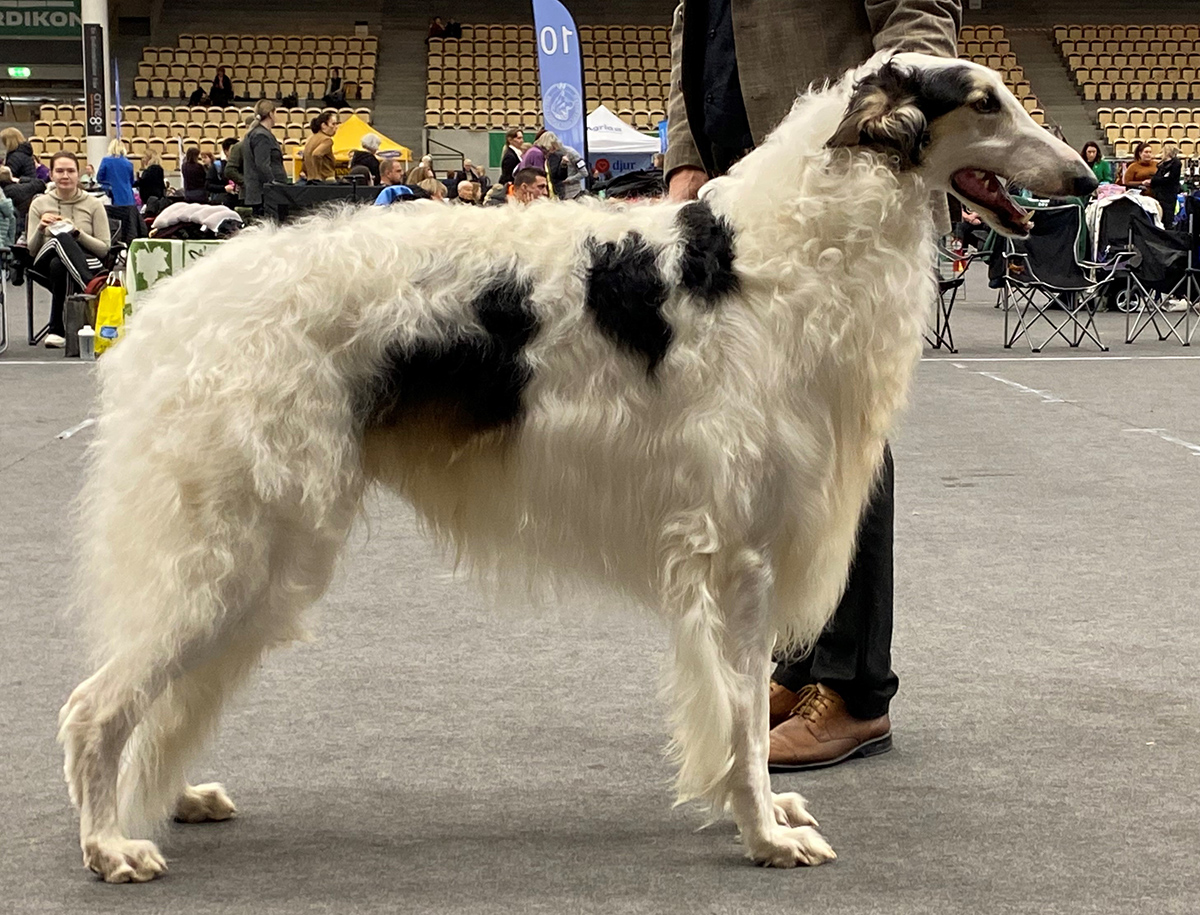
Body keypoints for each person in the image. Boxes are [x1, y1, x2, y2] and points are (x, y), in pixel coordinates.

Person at [666, 0, 961, 770]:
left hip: (836, 182)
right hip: (742, 182)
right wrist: (685, 150)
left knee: (841, 428)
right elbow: (697, 25)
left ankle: (855, 690)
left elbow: (919, 21)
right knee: (773, 437)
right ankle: (800, 667)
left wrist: (874, 131)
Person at [26, 150, 111, 348]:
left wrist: (76, 232)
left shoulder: (94, 204)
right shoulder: (39, 204)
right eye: (60, 171)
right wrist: (41, 228)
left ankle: (58, 329)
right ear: (51, 174)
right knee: (59, 239)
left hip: (84, 260)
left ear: (78, 174)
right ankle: (91, 288)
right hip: (42, 262)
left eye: (71, 171)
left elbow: (104, 249)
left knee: (60, 264)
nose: (65, 176)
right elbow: (31, 250)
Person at [243, 99, 288, 215]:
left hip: (266, 193)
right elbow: (262, 165)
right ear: (271, 114)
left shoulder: (257, 133)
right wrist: (273, 184)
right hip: (266, 194)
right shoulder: (261, 136)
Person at [1150, 140, 1182, 226]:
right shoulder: (1163, 164)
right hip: (1160, 193)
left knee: (1167, 216)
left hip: (1168, 194)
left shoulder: (1174, 163)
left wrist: (1153, 181)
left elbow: (1169, 179)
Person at [97, 139, 136, 206]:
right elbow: (132, 182)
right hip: (128, 198)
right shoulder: (129, 163)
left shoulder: (106, 160)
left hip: (114, 197)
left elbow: (99, 178)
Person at [302, 110, 338, 182]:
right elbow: (316, 154)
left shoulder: (310, 138)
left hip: (310, 180)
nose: (336, 127)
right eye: (333, 124)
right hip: (325, 180)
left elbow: (304, 158)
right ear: (323, 125)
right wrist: (317, 175)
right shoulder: (327, 140)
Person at [206, 138, 235, 203]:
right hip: (221, 202)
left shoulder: (243, 165)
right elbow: (208, 185)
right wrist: (224, 188)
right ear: (226, 151)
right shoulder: (217, 166)